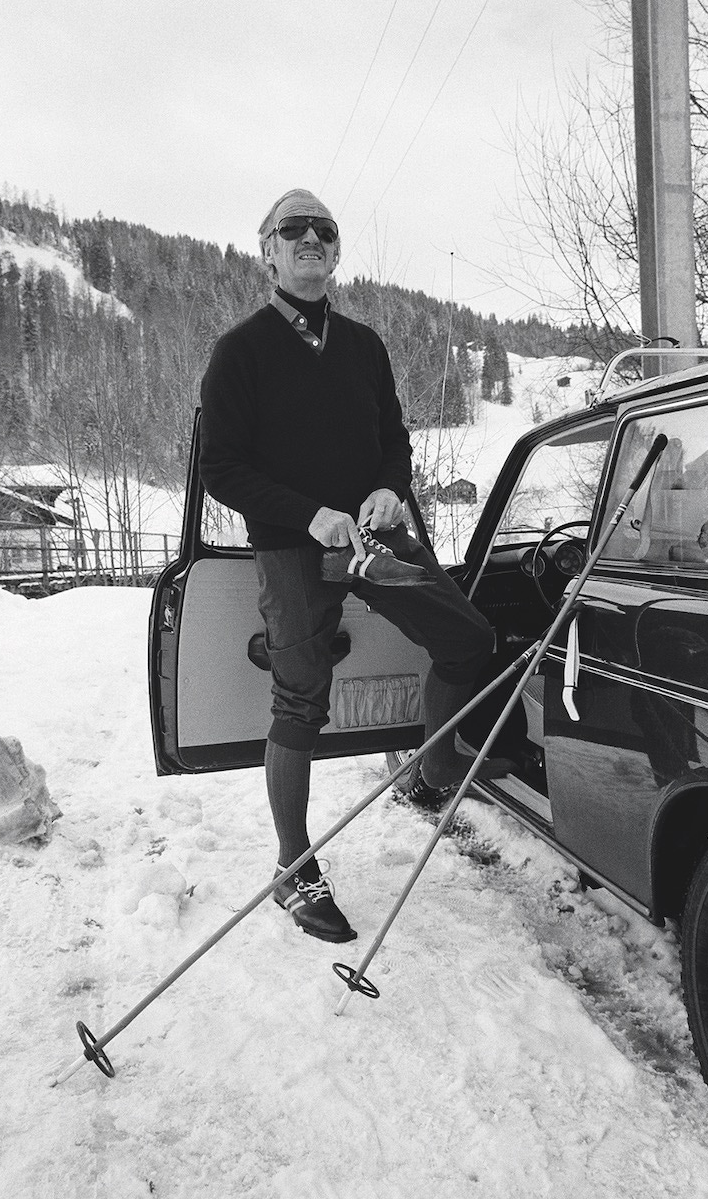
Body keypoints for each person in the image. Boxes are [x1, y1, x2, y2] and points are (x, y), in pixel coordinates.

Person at [199, 189, 495, 943]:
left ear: (335, 252)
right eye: (290, 230)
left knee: (468, 641)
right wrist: (308, 513)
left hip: (375, 537)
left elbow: (392, 435)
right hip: (296, 545)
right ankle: (293, 866)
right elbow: (221, 468)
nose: (308, 240)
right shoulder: (240, 350)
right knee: (301, 696)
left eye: (322, 231)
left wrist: (391, 488)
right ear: (266, 251)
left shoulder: (364, 345)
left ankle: (431, 774)